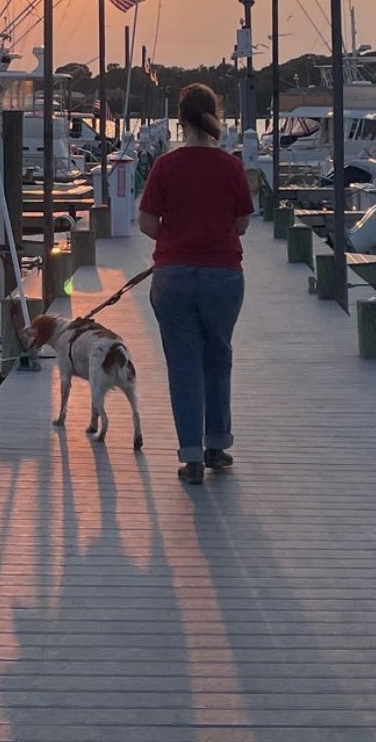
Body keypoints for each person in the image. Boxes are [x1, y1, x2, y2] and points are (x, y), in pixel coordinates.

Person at [138, 83, 252, 484]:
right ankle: (217, 444)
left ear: (179, 120)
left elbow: (147, 223)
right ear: (213, 116)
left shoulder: (165, 167)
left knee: (183, 364)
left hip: (173, 277)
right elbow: (241, 223)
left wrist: (175, 238)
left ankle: (191, 457)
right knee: (218, 356)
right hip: (223, 275)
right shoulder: (232, 167)